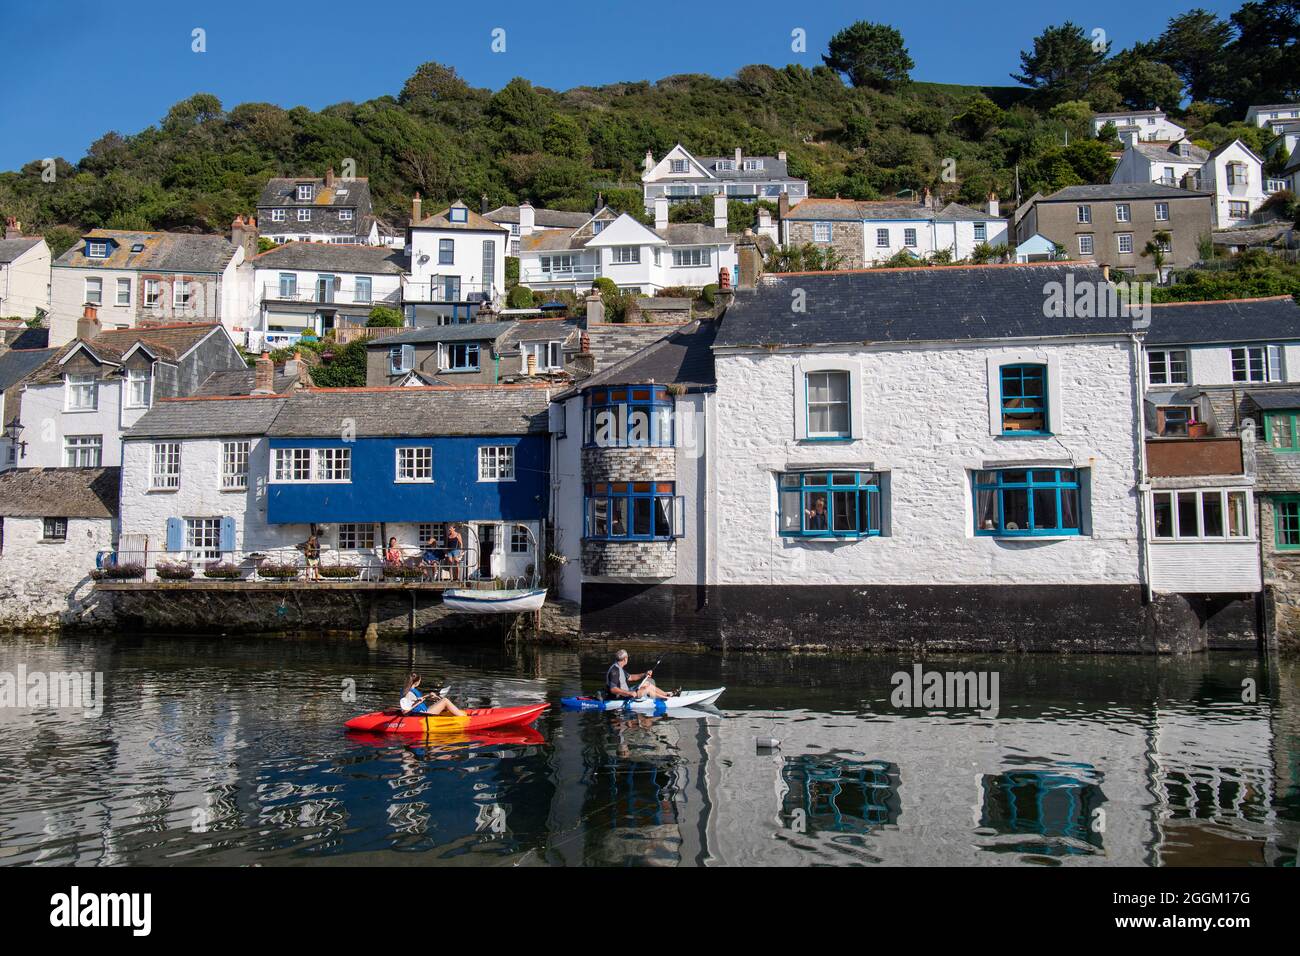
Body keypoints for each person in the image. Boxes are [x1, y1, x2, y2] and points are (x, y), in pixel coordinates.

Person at [605, 649, 676, 701]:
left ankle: (666, 694)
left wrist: (644, 674)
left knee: (647, 683)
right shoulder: (615, 671)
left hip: (626, 692)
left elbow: (631, 677)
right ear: (625, 659)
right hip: (620, 696)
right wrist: (629, 693)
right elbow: (613, 689)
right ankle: (667, 699)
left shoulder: (618, 667)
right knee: (647, 689)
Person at [399, 673, 465, 717]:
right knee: (445, 700)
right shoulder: (409, 693)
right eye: (420, 681)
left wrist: (428, 695)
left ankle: (453, 714)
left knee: (441, 702)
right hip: (422, 714)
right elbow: (405, 711)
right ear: (417, 682)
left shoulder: (406, 689)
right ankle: (463, 717)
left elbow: (414, 700)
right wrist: (418, 702)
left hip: (422, 711)